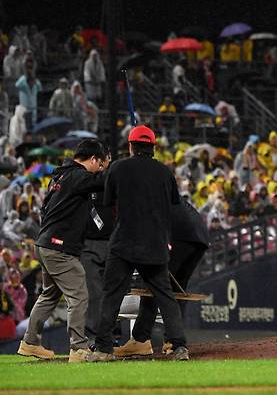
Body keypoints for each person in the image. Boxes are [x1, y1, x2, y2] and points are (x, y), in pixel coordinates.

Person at [88, 125, 189, 362]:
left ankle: (103, 349)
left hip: (124, 241)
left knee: (112, 294)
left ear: (130, 146)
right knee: (165, 296)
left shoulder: (118, 167)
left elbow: (108, 199)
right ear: (153, 147)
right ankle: (179, 347)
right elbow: (174, 203)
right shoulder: (165, 172)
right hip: (155, 242)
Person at [18, 139, 107, 362]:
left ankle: (30, 342)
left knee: (49, 295)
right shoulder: (78, 176)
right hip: (58, 246)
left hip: (45, 243)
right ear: (93, 159)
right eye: (100, 163)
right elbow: (102, 181)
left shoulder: (59, 176)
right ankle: (78, 347)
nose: (100, 168)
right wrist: (124, 168)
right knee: (79, 295)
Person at [114, 199, 209, 356]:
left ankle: (141, 339)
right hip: (199, 234)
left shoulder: (136, 196)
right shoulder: (154, 187)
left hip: (179, 232)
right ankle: (171, 341)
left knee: (155, 283)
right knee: (177, 288)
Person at [80, 152, 113, 347]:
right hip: (89, 244)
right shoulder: (83, 181)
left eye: (108, 158)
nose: (105, 162)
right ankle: (92, 337)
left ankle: (106, 336)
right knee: (92, 294)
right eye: (103, 158)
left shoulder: (114, 179)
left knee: (110, 293)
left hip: (112, 242)